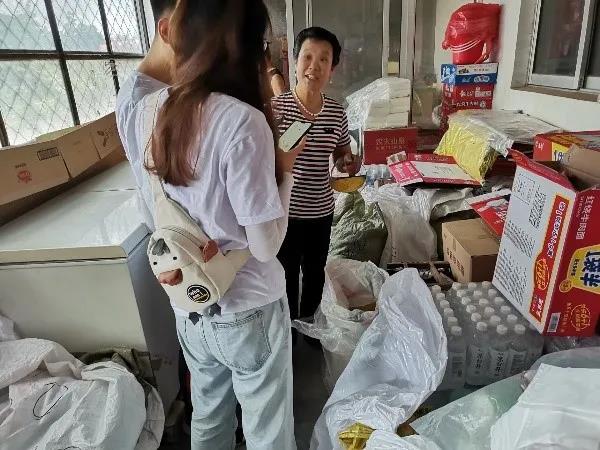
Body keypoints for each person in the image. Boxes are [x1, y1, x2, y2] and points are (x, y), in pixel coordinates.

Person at [116, 1, 300, 449]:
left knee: (210, 418)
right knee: (267, 430)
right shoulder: (242, 122)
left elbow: (150, 214)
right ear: (249, 48)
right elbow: (265, 246)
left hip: (190, 305)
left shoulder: (147, 110)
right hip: (251, 308)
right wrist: (286, 171)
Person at [272, 27, 361, 332]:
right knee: (284, 275)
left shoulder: (336, 113)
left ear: (332, 69)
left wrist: (347, 161)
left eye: (324, 59)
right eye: (307, 57)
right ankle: (288, 334)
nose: (314, 66)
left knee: (314, 273)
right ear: (295, 62)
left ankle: (311, 330)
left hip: (321, 211)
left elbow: (341, 152)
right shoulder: (276, 110)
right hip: (285, 212)